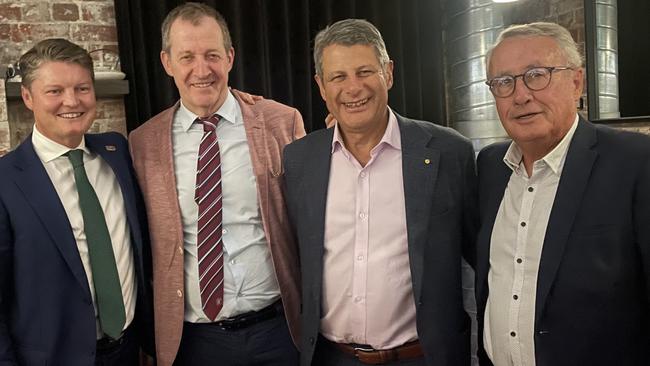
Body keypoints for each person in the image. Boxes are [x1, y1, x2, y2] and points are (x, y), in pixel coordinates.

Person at [283, 19, 478, 366]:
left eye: (364, 72)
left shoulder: (449, 153)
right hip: (331, 357)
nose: (353, 88)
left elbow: (482, 260)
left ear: (388, 73)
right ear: (321, 87)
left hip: (423, 357)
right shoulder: (300, 161)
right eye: (338, 77)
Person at [128, 3, 305, 365]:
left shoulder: (281, 124)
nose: (201, 70)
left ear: (229, 57)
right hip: (194, 342)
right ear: (167, 63)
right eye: (187, 57)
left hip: (280, 331)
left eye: (211, 55)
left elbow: (314, 220)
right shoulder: (143, 143)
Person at [475, 22, 650, 366]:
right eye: (504, 82)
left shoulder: (636, 163)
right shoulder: (491, 168)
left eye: (536, 75)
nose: (520, 95)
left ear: (576, 82)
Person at [0, 38, 153, 365]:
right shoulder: (5, 181)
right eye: (54, 91)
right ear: (28, 97)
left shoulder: (117, 152)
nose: (72, 101)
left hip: (129, 350)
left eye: (82, 88)